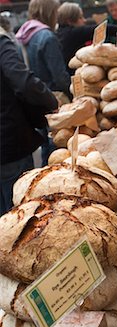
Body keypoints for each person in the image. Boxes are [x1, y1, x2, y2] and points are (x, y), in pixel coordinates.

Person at [0, 28, 58, 215]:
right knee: (21, 214)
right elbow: (24, 81)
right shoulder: (1, 43)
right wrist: (51, 101)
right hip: (8, 142)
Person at [16, 0, 70, 166]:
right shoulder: (46, 36)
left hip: (33, 101)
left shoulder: (22, 34)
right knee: (57, 147)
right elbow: (60, 76)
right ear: (49, 12)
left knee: (45, 143)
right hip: (53, 99)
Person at [56, 2, 117, 75]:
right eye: (80, 17)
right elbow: (99, 29)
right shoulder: (72, 33)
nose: (84, 20)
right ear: (70, 21)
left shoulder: (59, 33)